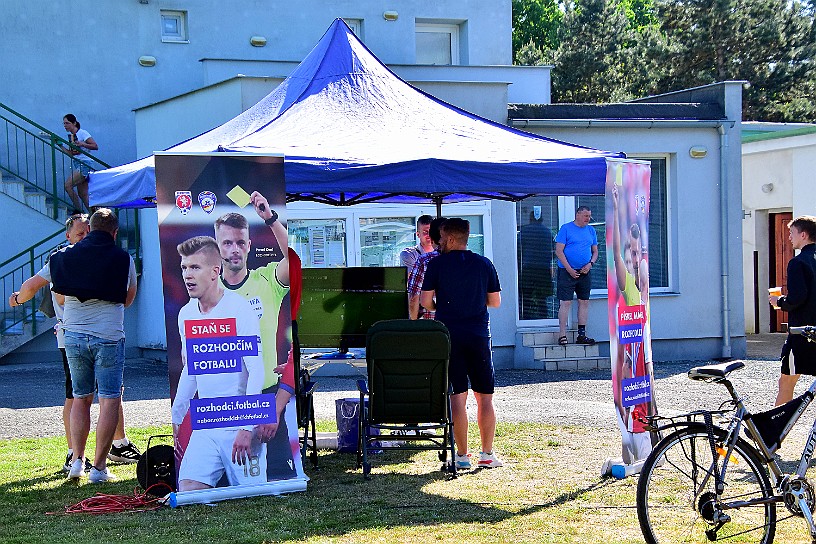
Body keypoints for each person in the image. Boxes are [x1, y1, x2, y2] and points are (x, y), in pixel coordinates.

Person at [9, 214, 140, 473]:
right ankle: (100, 468)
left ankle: (77, 462)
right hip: (109, 336)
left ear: (90, 230)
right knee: (110, 399)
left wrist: (18, 300)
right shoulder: (124, 259)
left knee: (80, 398)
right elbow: (128, 299)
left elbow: (31, 286)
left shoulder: (63, 256)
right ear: (114, 233)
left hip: (74, 337)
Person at [171, 236, 268, 491]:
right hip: (207, 425)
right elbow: (191, 371)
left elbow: (257, 371)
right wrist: (176, 418)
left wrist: (248, 427)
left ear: (215, 272)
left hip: (239, 424)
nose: (187, 275)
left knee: (254, 498)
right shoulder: (186, 314)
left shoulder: (240, 309)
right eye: (184, 268)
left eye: (195, 268)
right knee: (189, 492)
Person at [214, 192, 297, 480]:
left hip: (265, 397)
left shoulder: (266, 280)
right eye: (227, 243)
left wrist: (270, 218)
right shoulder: (207, 293)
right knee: (223, 482)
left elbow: (294, 259)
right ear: (218, 248)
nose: (234, 249)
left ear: (249, 245)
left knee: (279, 480)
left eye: (240, 242)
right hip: (225, 400)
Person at [420, 218, 503, 469]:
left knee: (458, 396)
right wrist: (475, 302)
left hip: (450, 335)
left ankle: (462, 456)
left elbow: (425, 301)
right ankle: (487, 454)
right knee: (485, 396)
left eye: (442, 238)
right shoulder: (484, 264)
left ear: (453, 238)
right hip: (478, 334)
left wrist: (442, 307)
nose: (438, 242)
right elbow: (496, 301)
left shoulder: (436, 265)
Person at [769, 215, 816, 406]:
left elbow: (797, 298)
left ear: (803, 235)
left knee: (787, 381)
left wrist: (779, 301)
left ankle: (776, 430)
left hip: (802, 334)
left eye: (792, 232)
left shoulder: (798, 262)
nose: (789, 237)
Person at [554, 206, 598, 346]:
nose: (588, 219)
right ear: (578, 215)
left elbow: (595, 252)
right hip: (566, 272)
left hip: (585, 271)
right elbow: (559, 251)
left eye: (589, 216)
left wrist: (590, 264)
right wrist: (569, 269)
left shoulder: (591, 230)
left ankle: (581, 335)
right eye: (585, 216)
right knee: (566, 302)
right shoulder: (566, 228)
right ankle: (562, 334)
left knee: (584, 301)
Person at [518, 206, 555, 320]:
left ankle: (526, 319)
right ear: (542, 219)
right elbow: (553, 251)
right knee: (542, 298)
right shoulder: (547, 232)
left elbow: (518, 250)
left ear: (530, 219)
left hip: (528, 268)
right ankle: (543, 319)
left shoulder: (524, 231)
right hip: (543, 269)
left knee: (526, 296)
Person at [407, 217, 446, 320]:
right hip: (462, 326)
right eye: (424, 232)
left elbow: (413, 298)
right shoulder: (468, 261)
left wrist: (413, 325)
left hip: (432, 326)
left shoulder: (424, 261)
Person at [61, 114, 98, 214]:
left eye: (67, 123)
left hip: (85, 163)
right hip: (78, 163)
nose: (65, 125)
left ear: (74, 123)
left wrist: (82, 144)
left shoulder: (82, 133)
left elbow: (95, 146)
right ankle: (94, 215)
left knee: (68, 185)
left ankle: (78, 211)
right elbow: (72, 154)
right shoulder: (71, 136)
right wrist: (60, 145)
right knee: (83, 194)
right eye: (64, 123)